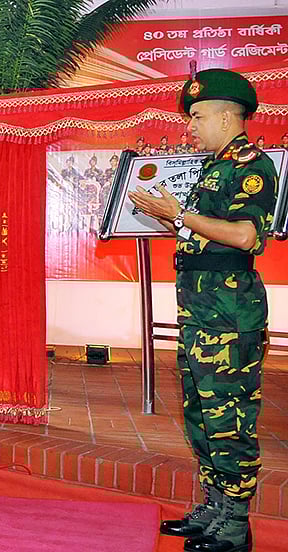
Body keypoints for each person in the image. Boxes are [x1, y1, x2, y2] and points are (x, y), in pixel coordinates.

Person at [129, 68, 276, 552]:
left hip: (230, 319)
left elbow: (245, 236)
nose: (189, 126)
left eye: (196, 116)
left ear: (227, 115)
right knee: (202, 415)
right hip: (202, 313)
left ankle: (235, 525)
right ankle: (214, 508)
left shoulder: (251, 165)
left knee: (229, 419)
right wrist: (168, 218)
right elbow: (203, 236)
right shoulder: (215, 168)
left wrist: (180, 214)